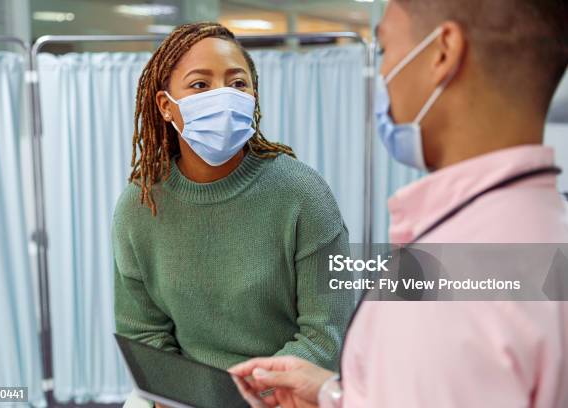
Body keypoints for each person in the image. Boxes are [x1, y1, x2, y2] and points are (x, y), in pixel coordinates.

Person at [230, 0, 568, 406]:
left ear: (442, 52)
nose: (384, 74)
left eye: (386, 49)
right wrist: (333, 394)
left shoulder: (447, 287)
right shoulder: (544, 231)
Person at [112, 22, 353, 407]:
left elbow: (326, 335)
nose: (223, 96)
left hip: (281, 395)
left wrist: (247, 398)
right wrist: (179, 395)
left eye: (237, 84)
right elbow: (144, 334)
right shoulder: (139, 206)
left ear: (253, 96)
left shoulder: (304, 195)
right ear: (164, 105)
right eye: (200, 85)